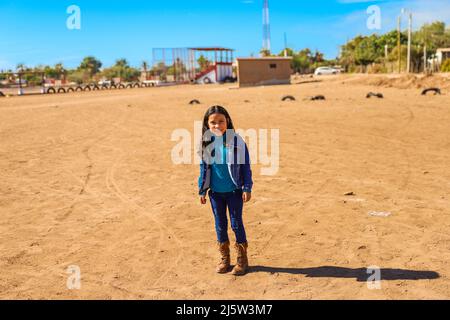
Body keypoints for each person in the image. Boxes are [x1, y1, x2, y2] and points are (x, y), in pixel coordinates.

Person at [198, 105, 253, 276]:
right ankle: (225, 259)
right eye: (213, 122)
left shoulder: (236, 141)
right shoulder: (206, 143)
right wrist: (202, 190)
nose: (217, 125)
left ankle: (242, 260)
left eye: (221, 121)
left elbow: (245, 167)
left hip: (234, 192)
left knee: (236, 223)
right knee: (220, 225)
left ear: (227, 121)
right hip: (215, 194)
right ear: (207, 124)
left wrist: (247, 187)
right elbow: (203, 168)